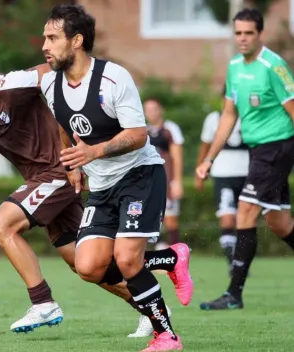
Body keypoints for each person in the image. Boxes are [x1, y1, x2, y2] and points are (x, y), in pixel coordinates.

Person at [0, 41, 191, 338]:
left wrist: (72, 132)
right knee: (85, 265)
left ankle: (42, 302)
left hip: (57, 171)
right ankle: (151, 306)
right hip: (40, 179)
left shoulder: (12, 86)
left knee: (1, 225)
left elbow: (48, 73)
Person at [40, 5, 194, 351]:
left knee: (126, 259)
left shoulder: (113, 78)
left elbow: (139, 135)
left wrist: (94, 152)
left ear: (76, 41)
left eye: (52, 38)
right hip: (102, 185)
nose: (44, 46)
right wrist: (74, 165)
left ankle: (166, 335)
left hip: (139, 175)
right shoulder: (50, 84)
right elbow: (65, 126)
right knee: (89, 266)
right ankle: (170, 258)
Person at [197, 8, 294, 310]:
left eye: (248, 33)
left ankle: (233, 294)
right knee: (278, 222)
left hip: (277, 146)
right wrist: (208, 159)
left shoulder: (273, 66)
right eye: (238, 33)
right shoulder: (235, 67)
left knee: (245, 213)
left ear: (260, 34)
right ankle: (233, 294)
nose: (242, 38)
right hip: (258, 151)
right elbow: (228, 116)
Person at [195, 86, 249, 275]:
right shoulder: (213, 118)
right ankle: (231, 261)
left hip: (248, 174)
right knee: (227, 219)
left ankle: (242, 261)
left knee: (245, 220)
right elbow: (205, 146)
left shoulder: (250, 116)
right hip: (223, 174)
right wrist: (200, 172)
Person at [144, 99, 184, 249]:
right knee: (151, 217)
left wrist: (177, 181)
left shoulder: (170, 128)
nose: (150, 112)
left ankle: (176, 254)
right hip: (148, 181)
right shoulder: (143, 129)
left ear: (161, 109)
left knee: (171, 219)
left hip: (167, 179)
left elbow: (177, 156)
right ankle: (158, 251)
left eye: (153, 108)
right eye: (147, 109)